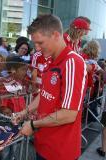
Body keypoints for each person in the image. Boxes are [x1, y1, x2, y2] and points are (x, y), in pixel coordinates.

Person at [15, 14, 87, 160]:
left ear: (55, 35)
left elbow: (68, 114)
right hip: (43, 144)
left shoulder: (73, 62)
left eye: (40, 43)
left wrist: (34, 125)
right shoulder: (50, 60)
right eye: (35, 44)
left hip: (60, 151)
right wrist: (24, 112)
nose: (37, 48)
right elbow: (45, 94)